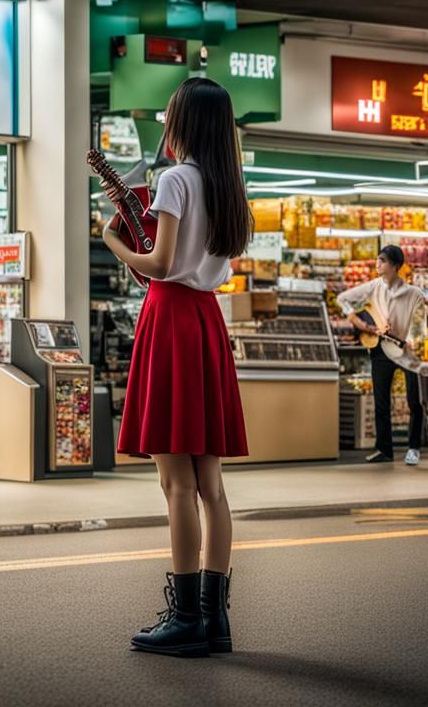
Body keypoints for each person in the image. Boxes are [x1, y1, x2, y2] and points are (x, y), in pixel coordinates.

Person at [101, 77, 252, 658]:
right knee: (210, 484)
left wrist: (112, 242)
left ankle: (185, 616)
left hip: (168, 319)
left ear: (183, 121)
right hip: (206, 322)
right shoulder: (228, 187)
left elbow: (159, 263)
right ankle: (215, 619)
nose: (164, 120)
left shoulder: (175, 181)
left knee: (174, 482)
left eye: (168, 112)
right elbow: (215, 265)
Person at [336, 245, 428, 466]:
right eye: (377, 259)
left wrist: (413, 339)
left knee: (414, 401)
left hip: (406, 351)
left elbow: (419, 324)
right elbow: (343, 299)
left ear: (396, 266)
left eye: (383, 260)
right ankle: (383, 449)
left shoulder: (414, 294)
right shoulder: (373, 287)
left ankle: (414, 448)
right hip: (380, 350)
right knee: (381, 402)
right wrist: (359, 322)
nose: (378, 264)